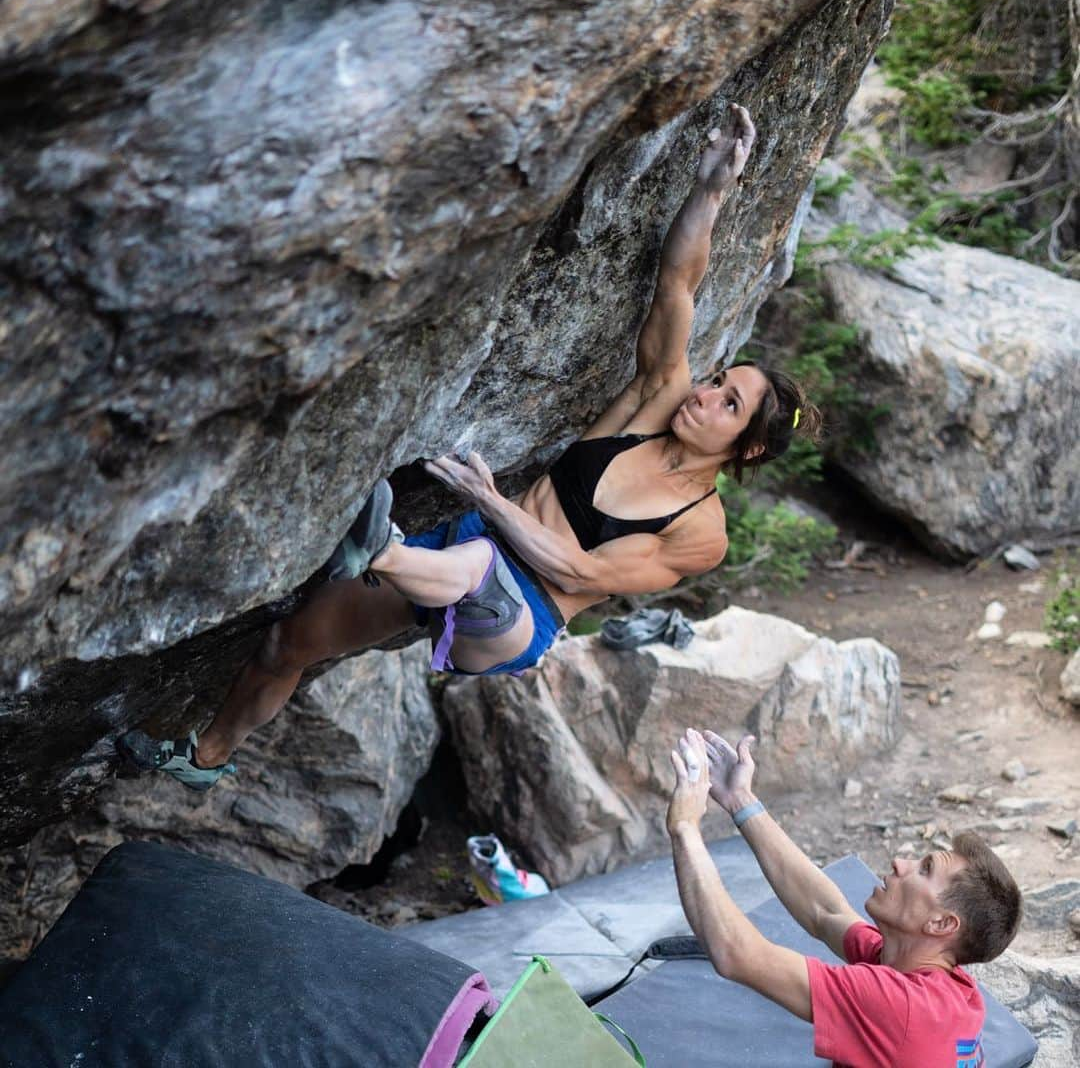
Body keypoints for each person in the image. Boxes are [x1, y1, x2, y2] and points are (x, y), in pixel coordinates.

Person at [120, 104, 821, 789]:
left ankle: (384, 551)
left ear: (747, 451)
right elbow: (679, 284)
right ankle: (206, 758)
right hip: (461, 546)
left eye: (728, 404)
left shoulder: (699, 532)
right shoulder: (657, 398)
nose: (705, 393)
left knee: (482, 560)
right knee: (288, 645)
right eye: (720, 380)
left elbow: (578, 574)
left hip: (519, 619)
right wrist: (712, 190)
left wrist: (490, 498)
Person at [666, 728, 1022, 1068]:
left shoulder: (901, 1009)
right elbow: (826, 912)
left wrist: (685, 827)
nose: (901, 863)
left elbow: (737, 954)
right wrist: (740, 799)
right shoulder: (937, 980)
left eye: (925, 869)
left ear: (941, 923)